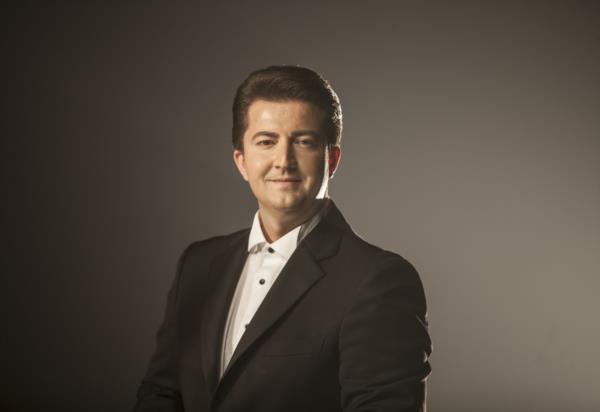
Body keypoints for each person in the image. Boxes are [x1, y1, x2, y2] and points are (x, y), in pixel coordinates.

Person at [133, 65, 432, 412]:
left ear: (332, 159)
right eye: (266, 142)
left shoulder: (379, 281)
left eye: (303, 142)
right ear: (241, 161)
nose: (283, 161)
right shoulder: (198, 264)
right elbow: (161, 393)